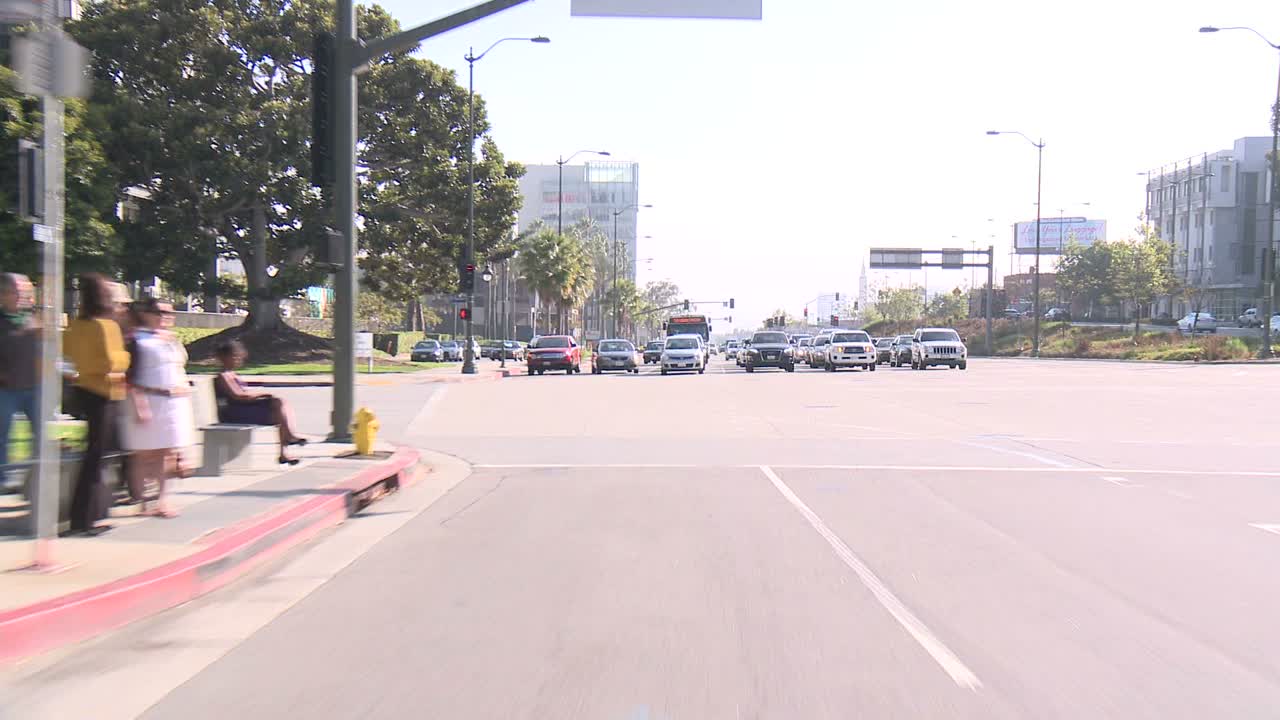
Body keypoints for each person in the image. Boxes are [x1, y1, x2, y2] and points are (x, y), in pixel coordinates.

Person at [63, 273, 130, 536]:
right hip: (105, 394)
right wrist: (123, 359)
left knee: (96, 454)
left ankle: (88, 515)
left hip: (84, 390)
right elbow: (115, 362)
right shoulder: (107, 326)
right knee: (98, 456)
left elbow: (69, 361)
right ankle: (86, 519)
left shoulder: (76, 326)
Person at [119, 298, 193, 517]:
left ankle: (162, 501)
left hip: (173, 401)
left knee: (166, 452)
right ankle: (141, 502)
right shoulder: (136, 340)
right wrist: (139, 404)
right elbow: (128, 376)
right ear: (147, 314)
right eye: (159, 312)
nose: (164, 317)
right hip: (147, 399)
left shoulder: (172, 340)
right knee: (143, 454)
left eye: (169, 313)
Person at [212, 340, 306, 465]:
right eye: (234, 357)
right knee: (278, 404)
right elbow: (239, 396)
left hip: (242, 409)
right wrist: (264, 394)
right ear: (224, 357)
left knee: (280, 408)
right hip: (233, 414)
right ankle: (288, 439)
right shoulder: (223, 376)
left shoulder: (233, 375)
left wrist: (262, 397)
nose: (238, 360)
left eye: (239, 357)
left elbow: (244, 396)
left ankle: (284, 451)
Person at [0, 273, 39, 485]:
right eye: (10, 292)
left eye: (18, 292)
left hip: (32, 388)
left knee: (41, 434)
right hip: (6, 389)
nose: (15, 296)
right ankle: (2, 478)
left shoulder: (31, 319)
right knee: (2, 436)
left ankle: (33, 477)